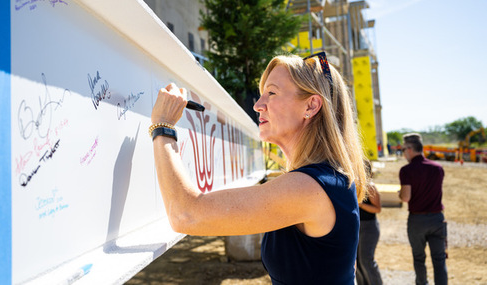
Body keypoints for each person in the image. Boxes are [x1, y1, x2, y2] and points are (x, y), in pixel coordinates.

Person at [150, 52, 367, 284]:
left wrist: (162, 126)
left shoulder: (310, 187)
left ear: (311, 105)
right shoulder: (329, 178)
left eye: (272, 93)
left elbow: (185, 215)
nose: (258, 105)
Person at [398, 133, 447, 285]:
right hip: (437, 218)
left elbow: (406, 197)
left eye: (404, 149)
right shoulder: (438, 168)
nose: (403, 153)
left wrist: (399, 194)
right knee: (439, 260)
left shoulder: (407, 170)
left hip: (417, 220)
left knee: (419, 259)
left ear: (410, 149)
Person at [356, 160, 383, 285]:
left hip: (369, 227)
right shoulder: (355, 185)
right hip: (358, 227)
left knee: (366, 260)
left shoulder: (370, 186)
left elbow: (377, 209)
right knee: (357, 261)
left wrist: (360, 205)